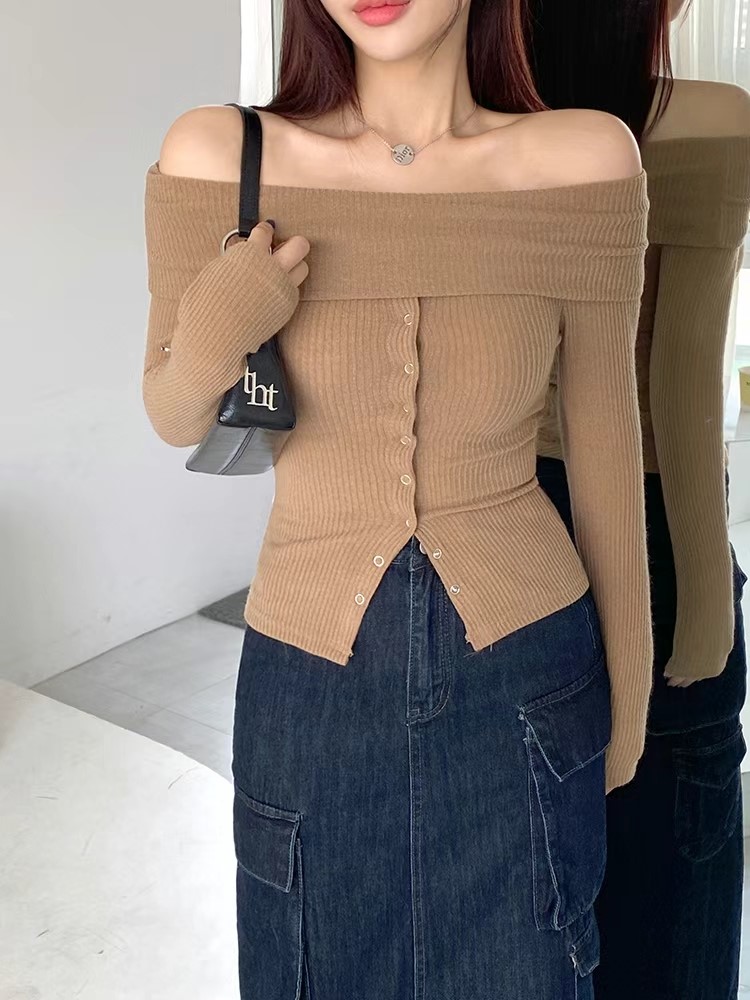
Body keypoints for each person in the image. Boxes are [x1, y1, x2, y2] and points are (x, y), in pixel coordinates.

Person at [141, 1, 653, 996]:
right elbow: (172, 409)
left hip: (528, 687)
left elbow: (605, 455)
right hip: (307, 691)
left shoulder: (585, 161)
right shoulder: (220, 154)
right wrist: (228, 313)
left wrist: (624, 717)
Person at [530, 1, 750, 997]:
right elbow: (682, 391)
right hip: (663, 531)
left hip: (510, 522)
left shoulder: (488, 134)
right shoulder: (714, 116)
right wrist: (703, 621)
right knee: (672, 908)